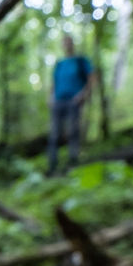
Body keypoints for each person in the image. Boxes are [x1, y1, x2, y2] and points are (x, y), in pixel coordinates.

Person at [47, 34, 94, 175]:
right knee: (55, 133)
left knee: (73, 131)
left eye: (69, 42)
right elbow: (53, 83)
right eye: (64, 42)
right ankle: (52, 166)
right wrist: (51, 97)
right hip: (58, 101)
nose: (67, 45)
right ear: (62, 45)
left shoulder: (81, 60)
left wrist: (83, 94)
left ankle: (73, 163)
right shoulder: (59, 64)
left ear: (73, 44)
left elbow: (91, 77)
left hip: (74, 101)